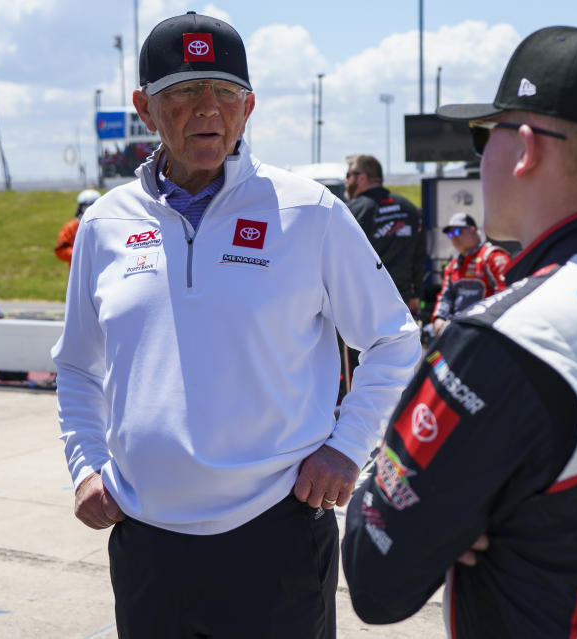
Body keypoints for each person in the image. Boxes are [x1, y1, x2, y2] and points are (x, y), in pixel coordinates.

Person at [51, 12, 420, 639]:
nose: (207, 109)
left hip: (275, 537)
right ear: (145, 108)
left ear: (248, 107)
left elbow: (394, 340)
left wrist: (346, 447)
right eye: (185, 91)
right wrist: (85, 465)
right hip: (147, 542)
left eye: (225, 92)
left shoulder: (310, 211)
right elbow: (78, 364)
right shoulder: (105, 223)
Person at [342, 26, 577, 638]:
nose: (476, 157)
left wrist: (388, 476)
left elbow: (377, 579)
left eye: (483, 134)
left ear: (527, 149)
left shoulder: (507, 338)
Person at [344, 154, 425, 317]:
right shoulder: (410, 208)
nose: (345, 181)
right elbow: (420, 254)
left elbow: (343, 258)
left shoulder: (353, 210)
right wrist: (417, 294)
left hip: (366, 303)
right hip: (402, 302)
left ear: (362, 178)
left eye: (348, 175)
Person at [430, 212, 510, 338]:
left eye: (457, 232)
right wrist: (439, 318)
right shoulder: (453, 265)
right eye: (450, 234)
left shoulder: (492, 257)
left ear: (472, 230)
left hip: (485, 329)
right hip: (457, 328)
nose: (453, 237)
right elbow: (445, 296)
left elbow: (507, 293)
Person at [54, 189, 100, 265]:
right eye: (86, 207)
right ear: (80, 209)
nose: (89, 211)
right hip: (78, 270)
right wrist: (81, 254)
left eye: (93, 207)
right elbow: (60, 250)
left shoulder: (106, 226)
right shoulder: (71, 227)